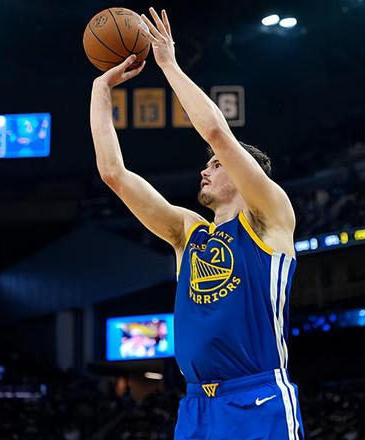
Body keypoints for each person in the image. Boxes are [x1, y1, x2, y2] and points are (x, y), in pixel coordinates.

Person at [90, 7, 303, 439]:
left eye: (216, 165)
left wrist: (168, 64)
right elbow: (114, 174)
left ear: (243, 173)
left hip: (257, 397)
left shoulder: (270, 217)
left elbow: (218, 135)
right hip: (196, 405)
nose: (205, 170)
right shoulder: (189, 233)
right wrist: (100, 89)